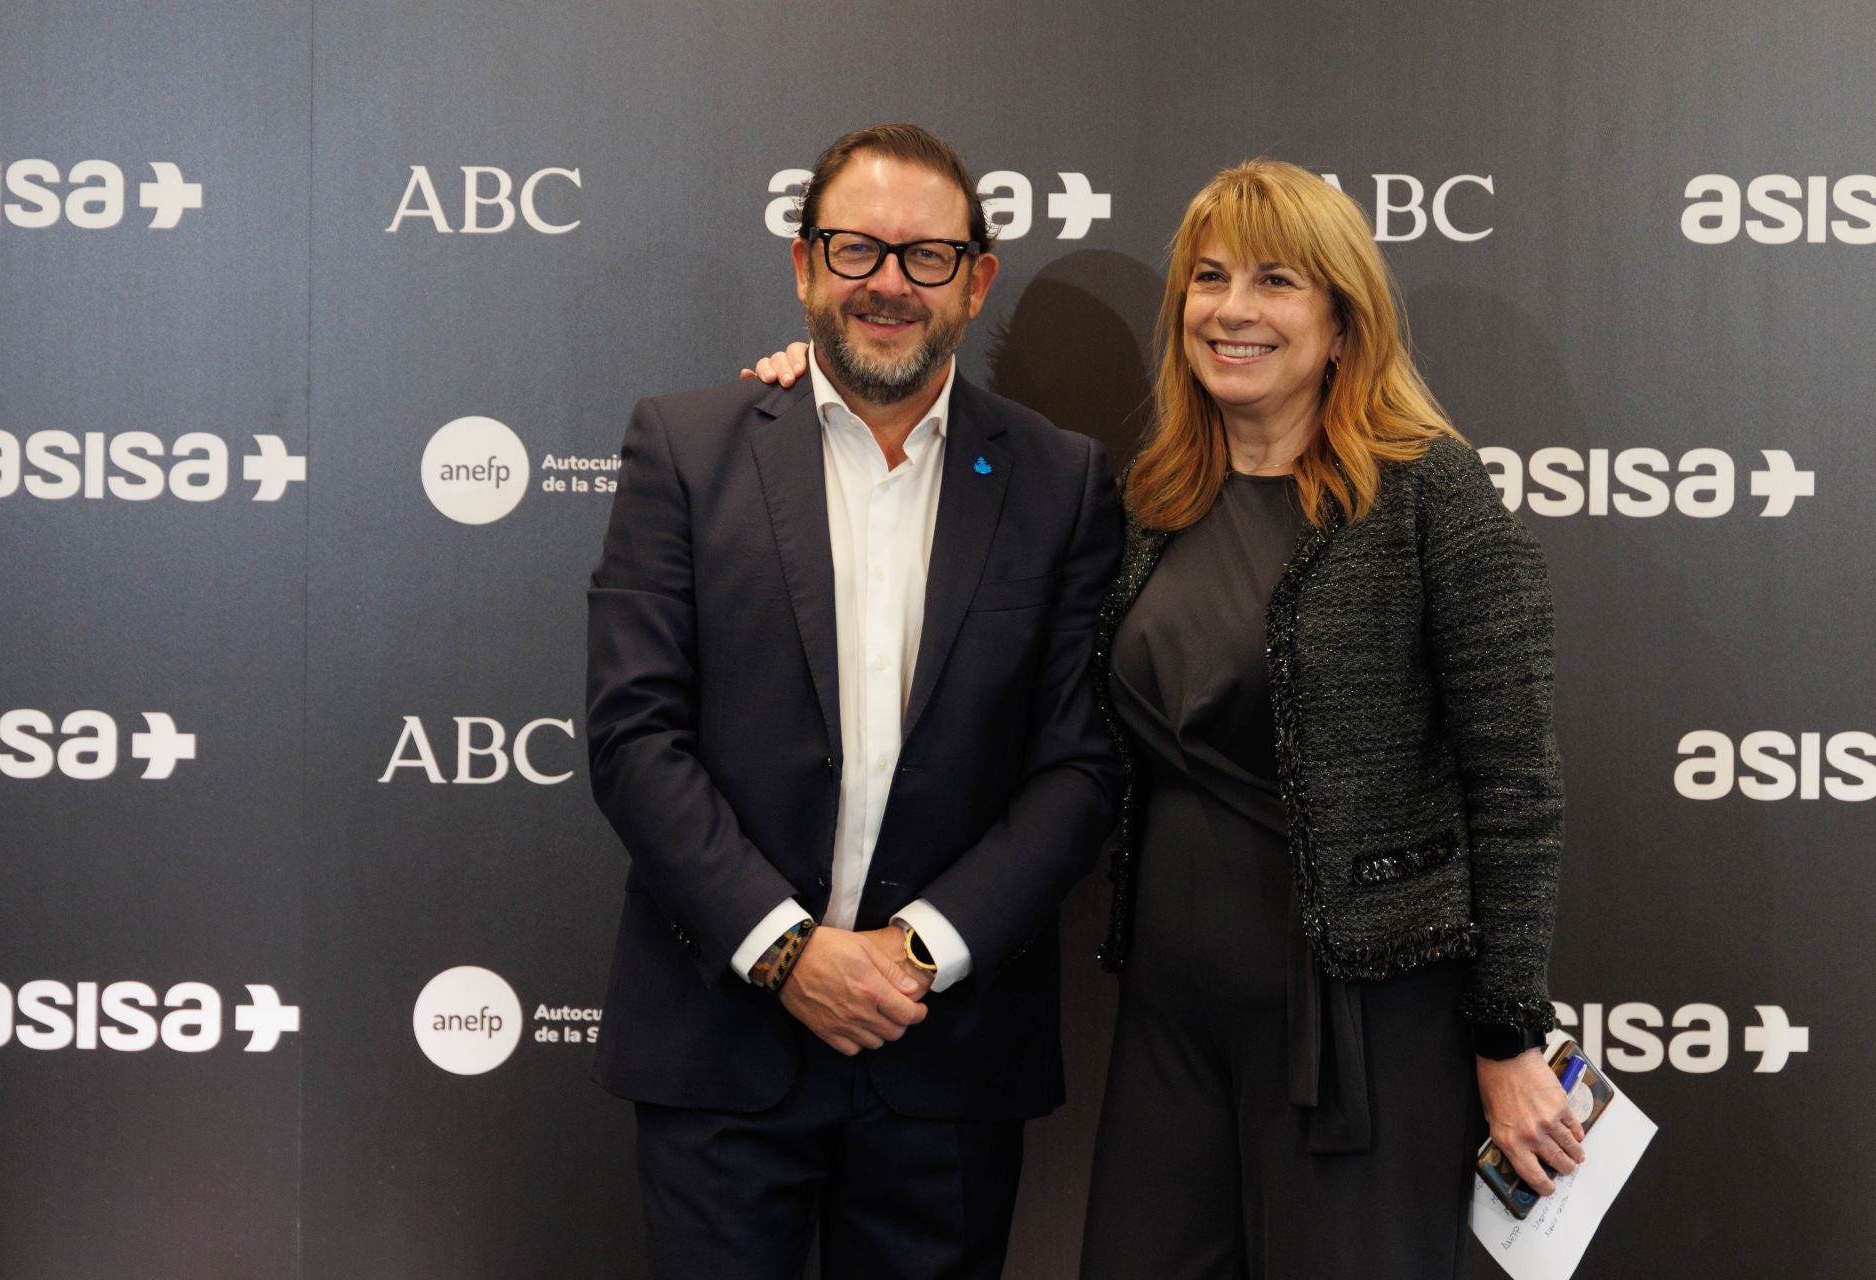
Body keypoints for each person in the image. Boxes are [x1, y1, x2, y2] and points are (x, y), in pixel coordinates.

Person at [753, 159, 1580, 1278]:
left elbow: (1517, 782)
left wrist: (1508, 1033)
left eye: (1276, 280)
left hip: (1358, 1029)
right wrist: (828, 393)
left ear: (1342, 320)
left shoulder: (1430, 492)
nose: (1232, 309)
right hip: (1170, 1020)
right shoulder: (1154, 497)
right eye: (1209, 277)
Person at [584, 122, 1122, 1280]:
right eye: (855, 248)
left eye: (926, 256)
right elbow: (634, 734)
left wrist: (916, 954)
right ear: (802, 264)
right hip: (720, 1047)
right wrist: (788, 952)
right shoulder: (686, 447)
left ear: (977, 281)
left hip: (948, 1062)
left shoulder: (1062, 480)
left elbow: (1080, 765)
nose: (888, 281)